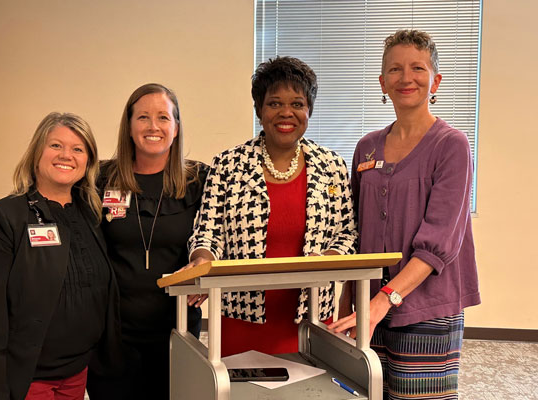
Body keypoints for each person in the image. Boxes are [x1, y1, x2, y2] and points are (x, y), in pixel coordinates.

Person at [330, 30, 481, 399]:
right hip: (369, 305)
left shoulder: (452, 146)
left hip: (425, 306)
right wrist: (351, 300)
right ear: (382, 82)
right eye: (394, 69)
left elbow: (438, 244)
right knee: (362, 391)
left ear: (435, 81)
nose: (406, 77)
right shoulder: (366, 147)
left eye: (418, 68)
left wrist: (384, 300)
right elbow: (357, 231)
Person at [186, 56, 358, 357]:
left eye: (297, 103)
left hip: (314, 318)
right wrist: (203, 259)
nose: (286, 113)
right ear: (259, 110)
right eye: (275, 103)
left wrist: (327, 259)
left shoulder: (331, 166)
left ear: (309, 110)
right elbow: (207, 232)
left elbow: (347, 234)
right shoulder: (228, 165)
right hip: (242, 318)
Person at [0, 112, 121, 400]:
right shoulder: (2, 218)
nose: (66, 155)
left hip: (77, 373)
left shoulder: (92, 216)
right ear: (36, 154)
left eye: (78, 149)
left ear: (88, 162)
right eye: (55, 145)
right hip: (26, 379)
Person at [86, 83, 208, 400]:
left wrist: (208, 263)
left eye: (163, 118)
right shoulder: (100, 178)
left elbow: (219, 234)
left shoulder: (200, 181)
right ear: (129, 126)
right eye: (143, 117)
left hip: (177, 331)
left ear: (176, 127)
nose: (153, 127)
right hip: (113, 335)